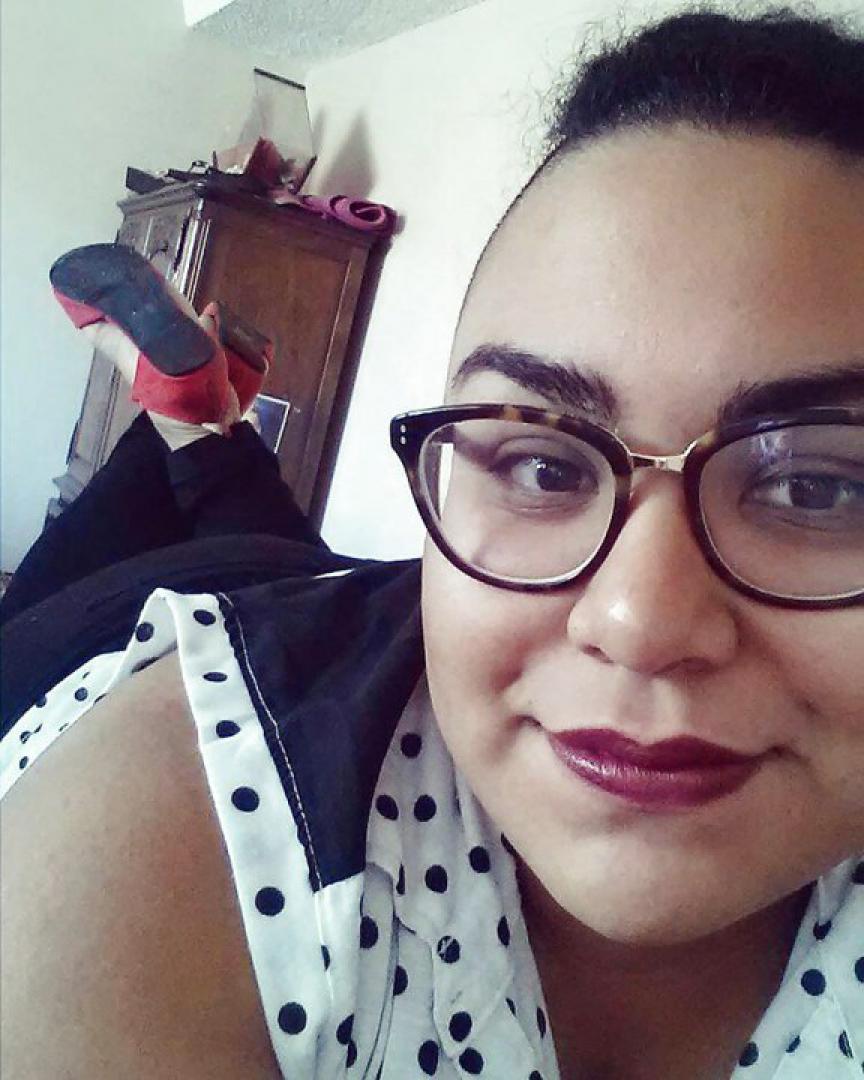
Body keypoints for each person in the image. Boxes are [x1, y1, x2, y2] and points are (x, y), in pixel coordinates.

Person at [2, 7, 863, 1078]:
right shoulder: (167, 812)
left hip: (327, 599)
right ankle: (200, 429)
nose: (638, 625)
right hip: (151, 620)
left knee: (248, 539)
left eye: (817, 487)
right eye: (543, 465)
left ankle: (199, 426)